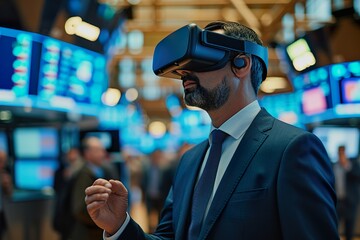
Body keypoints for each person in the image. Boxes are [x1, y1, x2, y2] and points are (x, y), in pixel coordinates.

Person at [84, 21, 339, 239]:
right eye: (183, 66)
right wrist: (120, 226)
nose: (185, 73)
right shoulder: (190, 161)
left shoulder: (292, 149)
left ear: (242, 64)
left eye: (201, 59)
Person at [70, 136, 119, 240]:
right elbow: (79, 209)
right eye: (98, 150)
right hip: (87, 233)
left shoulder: (102, 170)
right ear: (88, 154)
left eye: (103, 149)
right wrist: (102, 220)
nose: (103, 153)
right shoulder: (83, 175)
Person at [53, 147, 83, 240]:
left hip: (75, 217)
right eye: (69, 154)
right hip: (63, 215)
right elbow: (57, 190)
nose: (72, 157)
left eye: (74, 154)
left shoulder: (82, 173)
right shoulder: (60, 172)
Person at [334, 145, 360, 240]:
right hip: (337, 202)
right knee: (333, 226)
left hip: (350, 202)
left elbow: (358, 176)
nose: (341, 154)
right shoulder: (334, 165)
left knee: (349, 229)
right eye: (339, 152)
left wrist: (346, 165)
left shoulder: (352, 164)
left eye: (342, 152)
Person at [0, 150, 12, 240]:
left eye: (4, 162)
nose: (2, 165)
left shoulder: (3, 174)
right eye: (0, 161)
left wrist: (7, 186)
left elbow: (9, 194)